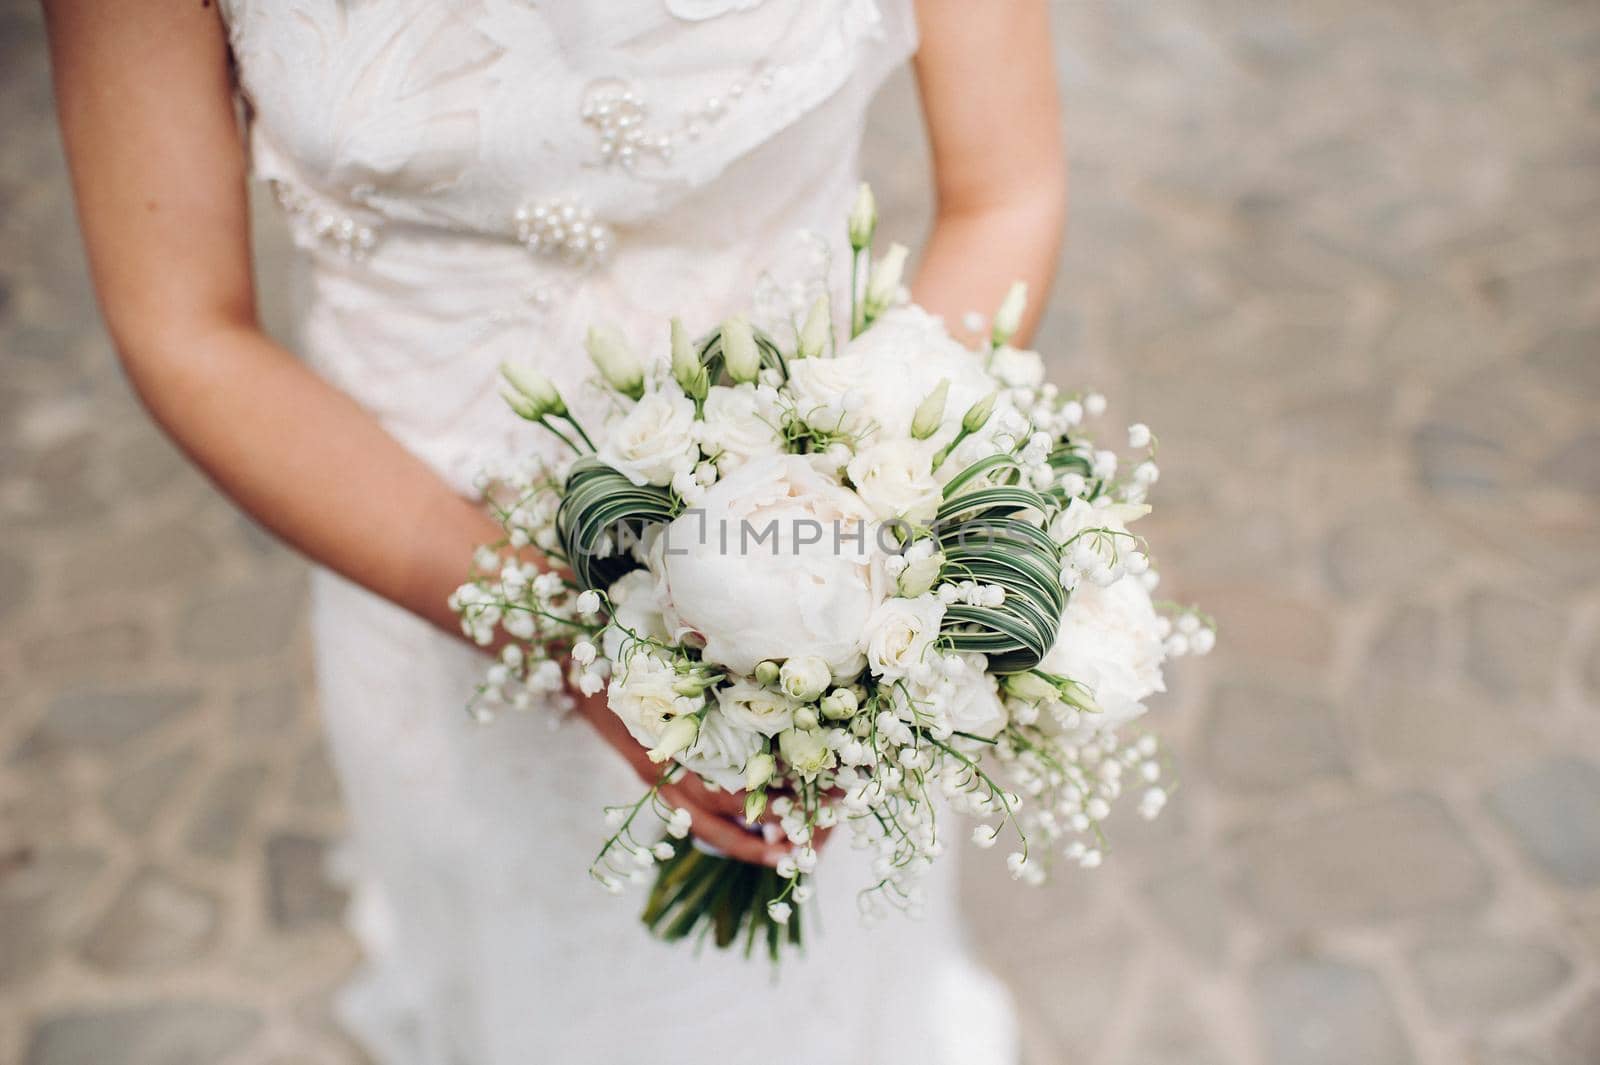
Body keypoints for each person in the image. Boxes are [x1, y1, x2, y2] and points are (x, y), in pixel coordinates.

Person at [42, 1, 1066, 1061]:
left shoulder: (836, 602)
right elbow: (184, 326)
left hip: (819, 597)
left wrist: (854, 559)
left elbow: (1004, 194)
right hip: (427, 576)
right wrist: (561, 636)